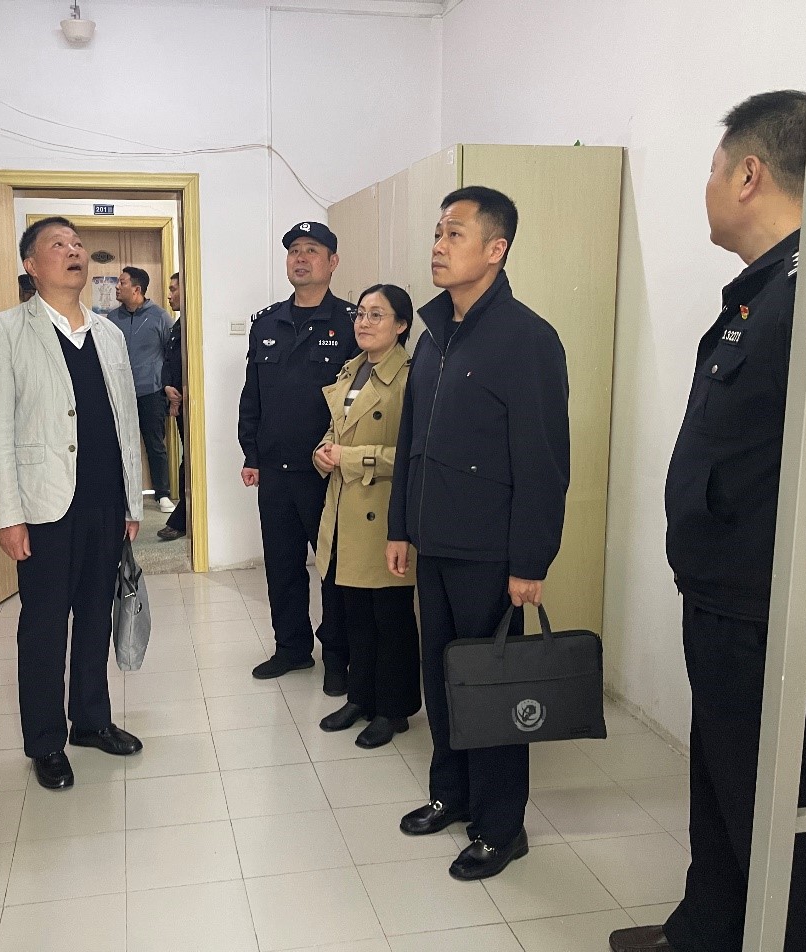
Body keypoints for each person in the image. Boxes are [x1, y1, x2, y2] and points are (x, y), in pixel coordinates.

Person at [610, 91, 806, 952]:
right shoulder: (770, 292)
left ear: (747, 174)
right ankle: (707, 929)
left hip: (775, 604)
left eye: (712, 169)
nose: (706, 187)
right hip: (729, 594)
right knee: (723, 781)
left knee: (781, 800)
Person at [387, 186, 570, 881]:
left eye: (454, 234)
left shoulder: (528, 339)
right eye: (437, 233)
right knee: (442, 678)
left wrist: (530, 561)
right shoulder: (435, 334)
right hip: (434, 543)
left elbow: (544, 463)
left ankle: (500, 826)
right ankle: (452, 793)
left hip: (491, 554)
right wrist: (402, 525)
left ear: (495, 249)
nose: (438, 246)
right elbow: (411, 441)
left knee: (491, 693)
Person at [0, 216, 145, 792]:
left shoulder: (109, 334)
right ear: (31, 264)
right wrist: (7, 515)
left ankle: (91, 720)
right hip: (43, 507)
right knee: (45, 626)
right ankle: (45, 741)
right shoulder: (5, 332)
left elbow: (126, 424)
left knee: (96, 616)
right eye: (58, 244)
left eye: (77, 244)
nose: (74, 251)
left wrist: (132, 500)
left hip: (105, 500)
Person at [238, 222, 359, 694]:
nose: (300, 258)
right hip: (275, 469)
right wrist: (251, 453)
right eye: (294, 251)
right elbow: (253, 394)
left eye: (312, 250)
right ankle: (291, 648)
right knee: (282, 565)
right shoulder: (267, 322)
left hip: (326, 472)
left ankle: (338, 656)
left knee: (333, 568)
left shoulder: (350, 323)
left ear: (332, 262)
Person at [313, 284, 420, 749]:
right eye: (360, 313)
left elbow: (413, 455)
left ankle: (394, 710)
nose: (364, 322)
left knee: (390, 618)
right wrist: (322, 452)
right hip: (344, 509)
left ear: (401, 325)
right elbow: (336, 430)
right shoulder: (352, 369)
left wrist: (351, 458)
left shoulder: (411, 378)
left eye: (377, 315)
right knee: (354, 613)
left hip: (386, 516)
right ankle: (361, 696)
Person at [108, 266, 175, 513]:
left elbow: (171, 354)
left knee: (155, 445)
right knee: (121, 446)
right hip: (120, 394)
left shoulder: (160, 317)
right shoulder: (111, 319)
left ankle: (162, 494)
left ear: (136, 289)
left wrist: (168, 386)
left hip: (152, 392)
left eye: (122, 282)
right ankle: (123, 494)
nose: (117, 287)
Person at [158, 272, 187, 541]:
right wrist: (168, 386)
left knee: (188, 461)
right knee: (184, 460)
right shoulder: (178, 325)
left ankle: (181, 519)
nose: (169, 295)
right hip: (177, 402)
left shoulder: (194, 324)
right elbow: (169, 361)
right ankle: (182, 516)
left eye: (173, 289)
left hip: (190, 405)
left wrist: (186, 392)